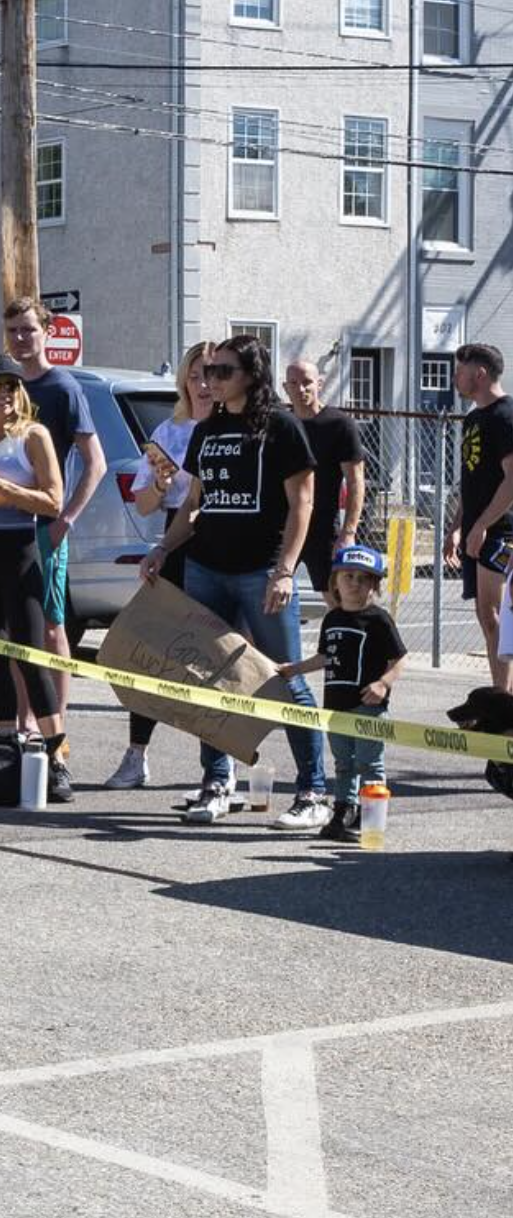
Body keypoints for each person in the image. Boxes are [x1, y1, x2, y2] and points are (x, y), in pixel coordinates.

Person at [138, 334, 329, 828]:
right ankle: (217, 783)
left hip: (261, 570)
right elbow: (193, 503)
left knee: (285, 678)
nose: (211, 380)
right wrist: (163, 548)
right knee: (211, 677)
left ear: (251, 375)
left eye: (223, 371)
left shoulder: (281, 427)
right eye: (207, 372)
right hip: (206, 567)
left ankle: (313, 791)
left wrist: (286, 570)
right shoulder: (207, 430)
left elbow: (302, 504)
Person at [0, 366, 73, 801]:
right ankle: (3, 749)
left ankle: (58, 754)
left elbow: (54, 500)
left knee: (28, 651)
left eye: (11, 386)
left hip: (21, 548)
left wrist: (2, 486)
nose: (4, 394)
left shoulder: (33, 436)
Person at [105, 341, 214, 792]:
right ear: (183, 381)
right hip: (174, 540)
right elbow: (147, 502)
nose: (204, 384)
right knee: (147, 651)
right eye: (195, 375)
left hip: (223, 541)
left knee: (213, 661)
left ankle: (217, 773)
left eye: (212, 373)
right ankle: (136, 756)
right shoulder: (169, 432)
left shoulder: (237, 428)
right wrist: (162, 482)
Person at [0, 298, 106, 715]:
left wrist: (66, 520)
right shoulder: (8, 388)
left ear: (47, 332)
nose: (21, 339)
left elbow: (96, 463)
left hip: (44, 525)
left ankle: (54, 726)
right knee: (19, 630)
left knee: (53, 627)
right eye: (14, 332)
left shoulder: (63, 388)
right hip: (4, 525)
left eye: (28, 330)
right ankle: (24, 725)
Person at [273, 545, 406, 842]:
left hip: (368, 707)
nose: (354, 583)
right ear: (335, 582)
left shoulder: (379, 620)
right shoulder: (332, 619)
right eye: (348, 576)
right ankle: (344, 810)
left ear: (374, 584)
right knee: (344, 762)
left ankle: (369, 819)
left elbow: (399, 660)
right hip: (336, 707)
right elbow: (324, 657)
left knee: (370, 763)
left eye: (363, 578)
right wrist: (293, 669)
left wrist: (383, 684)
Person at [452, 342, 513, 692]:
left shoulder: (505, 415)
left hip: (502, 531)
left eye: (460, 371)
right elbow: (472, 479)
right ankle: (498, 694)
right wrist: (457, 526)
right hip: (478, 529)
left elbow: (511, 480)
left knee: (496, 617)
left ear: (480, 373)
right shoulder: (474, 418)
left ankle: (503, 700)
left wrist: (482, 526)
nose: (455, 378)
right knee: (486, 617)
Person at [284, 359, 368, 599]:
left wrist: (348, 532)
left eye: (307, 382)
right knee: (267, 600)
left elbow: (355, 481)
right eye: (293, 383)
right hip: (284, 528)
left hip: (323, 530)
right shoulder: (281, 425)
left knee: (339, 602)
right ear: (285, 388)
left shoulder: (339, 424)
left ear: (320, 383)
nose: (300, 389)